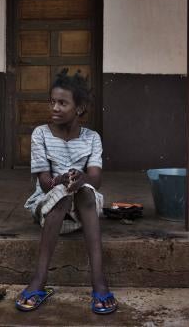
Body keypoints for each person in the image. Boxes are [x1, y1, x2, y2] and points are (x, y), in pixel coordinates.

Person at [15, 69, 117, 315]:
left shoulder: (92, 138)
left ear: (79, 108)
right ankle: (39, 281)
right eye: (52, 102)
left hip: (81, 209)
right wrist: (62, 179)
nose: (55, 108)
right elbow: (44, 182)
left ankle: (99, 282)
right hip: (48, 204)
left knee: (87, 192)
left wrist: (81, 179)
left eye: (62, 103)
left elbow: (97, 178)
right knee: (61, 193)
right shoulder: (41, 134)